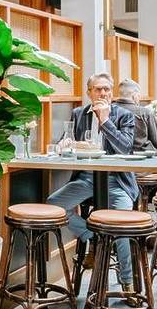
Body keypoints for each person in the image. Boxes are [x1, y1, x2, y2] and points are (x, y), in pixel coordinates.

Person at [46, 73, 138, 294]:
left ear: (112, 92)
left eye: (107, 89)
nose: (103, 93)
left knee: (122, 227)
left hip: (117, 181)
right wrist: (65, 143)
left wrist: (105, 121)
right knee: (53, 206)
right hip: (86, 179)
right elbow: (65, 142)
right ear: (89, 93)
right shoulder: (79, 114)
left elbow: (125, 148)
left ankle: (127, 282)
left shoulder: (123, 115)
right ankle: (93, 236)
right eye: (98, 89)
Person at [114, 79, 157, 153]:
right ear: (135, 95)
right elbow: (156, 141)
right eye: (139, 96)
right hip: (142, 154)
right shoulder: (144, 112)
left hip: (116, 154)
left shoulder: (109, 110)